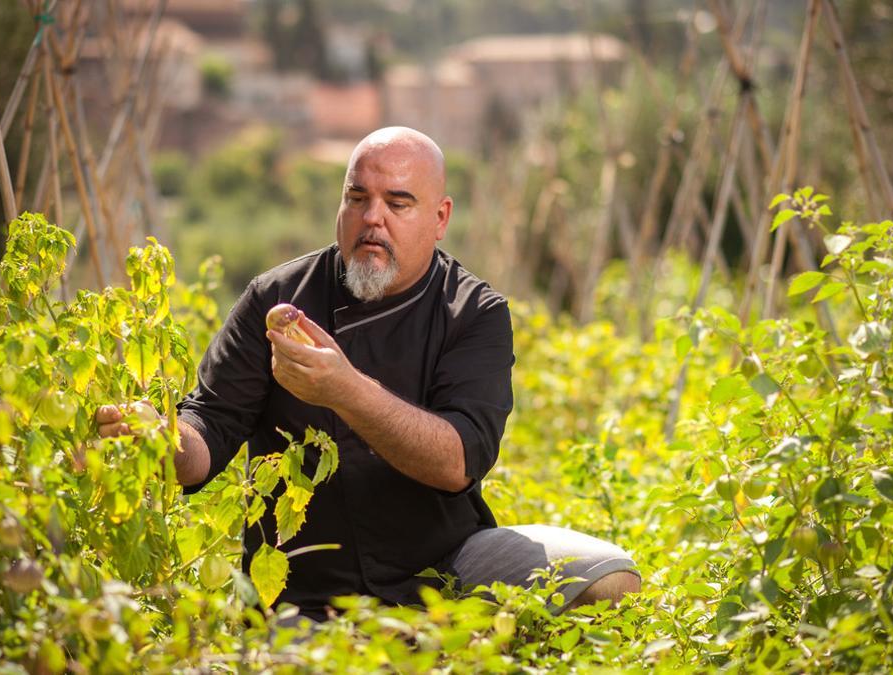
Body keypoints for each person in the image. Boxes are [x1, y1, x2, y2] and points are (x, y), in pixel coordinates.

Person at [96, 127, 640, 621]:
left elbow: (459, 461)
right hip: (306, 591)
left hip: (447, 568)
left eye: (397, 203)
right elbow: (206, 436)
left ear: (440, 218)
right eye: (358, 198)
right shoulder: (277, 299)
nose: (372, 218)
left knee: (611, 582)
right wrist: (163, 439)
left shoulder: (473, 313)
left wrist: (346, 390)